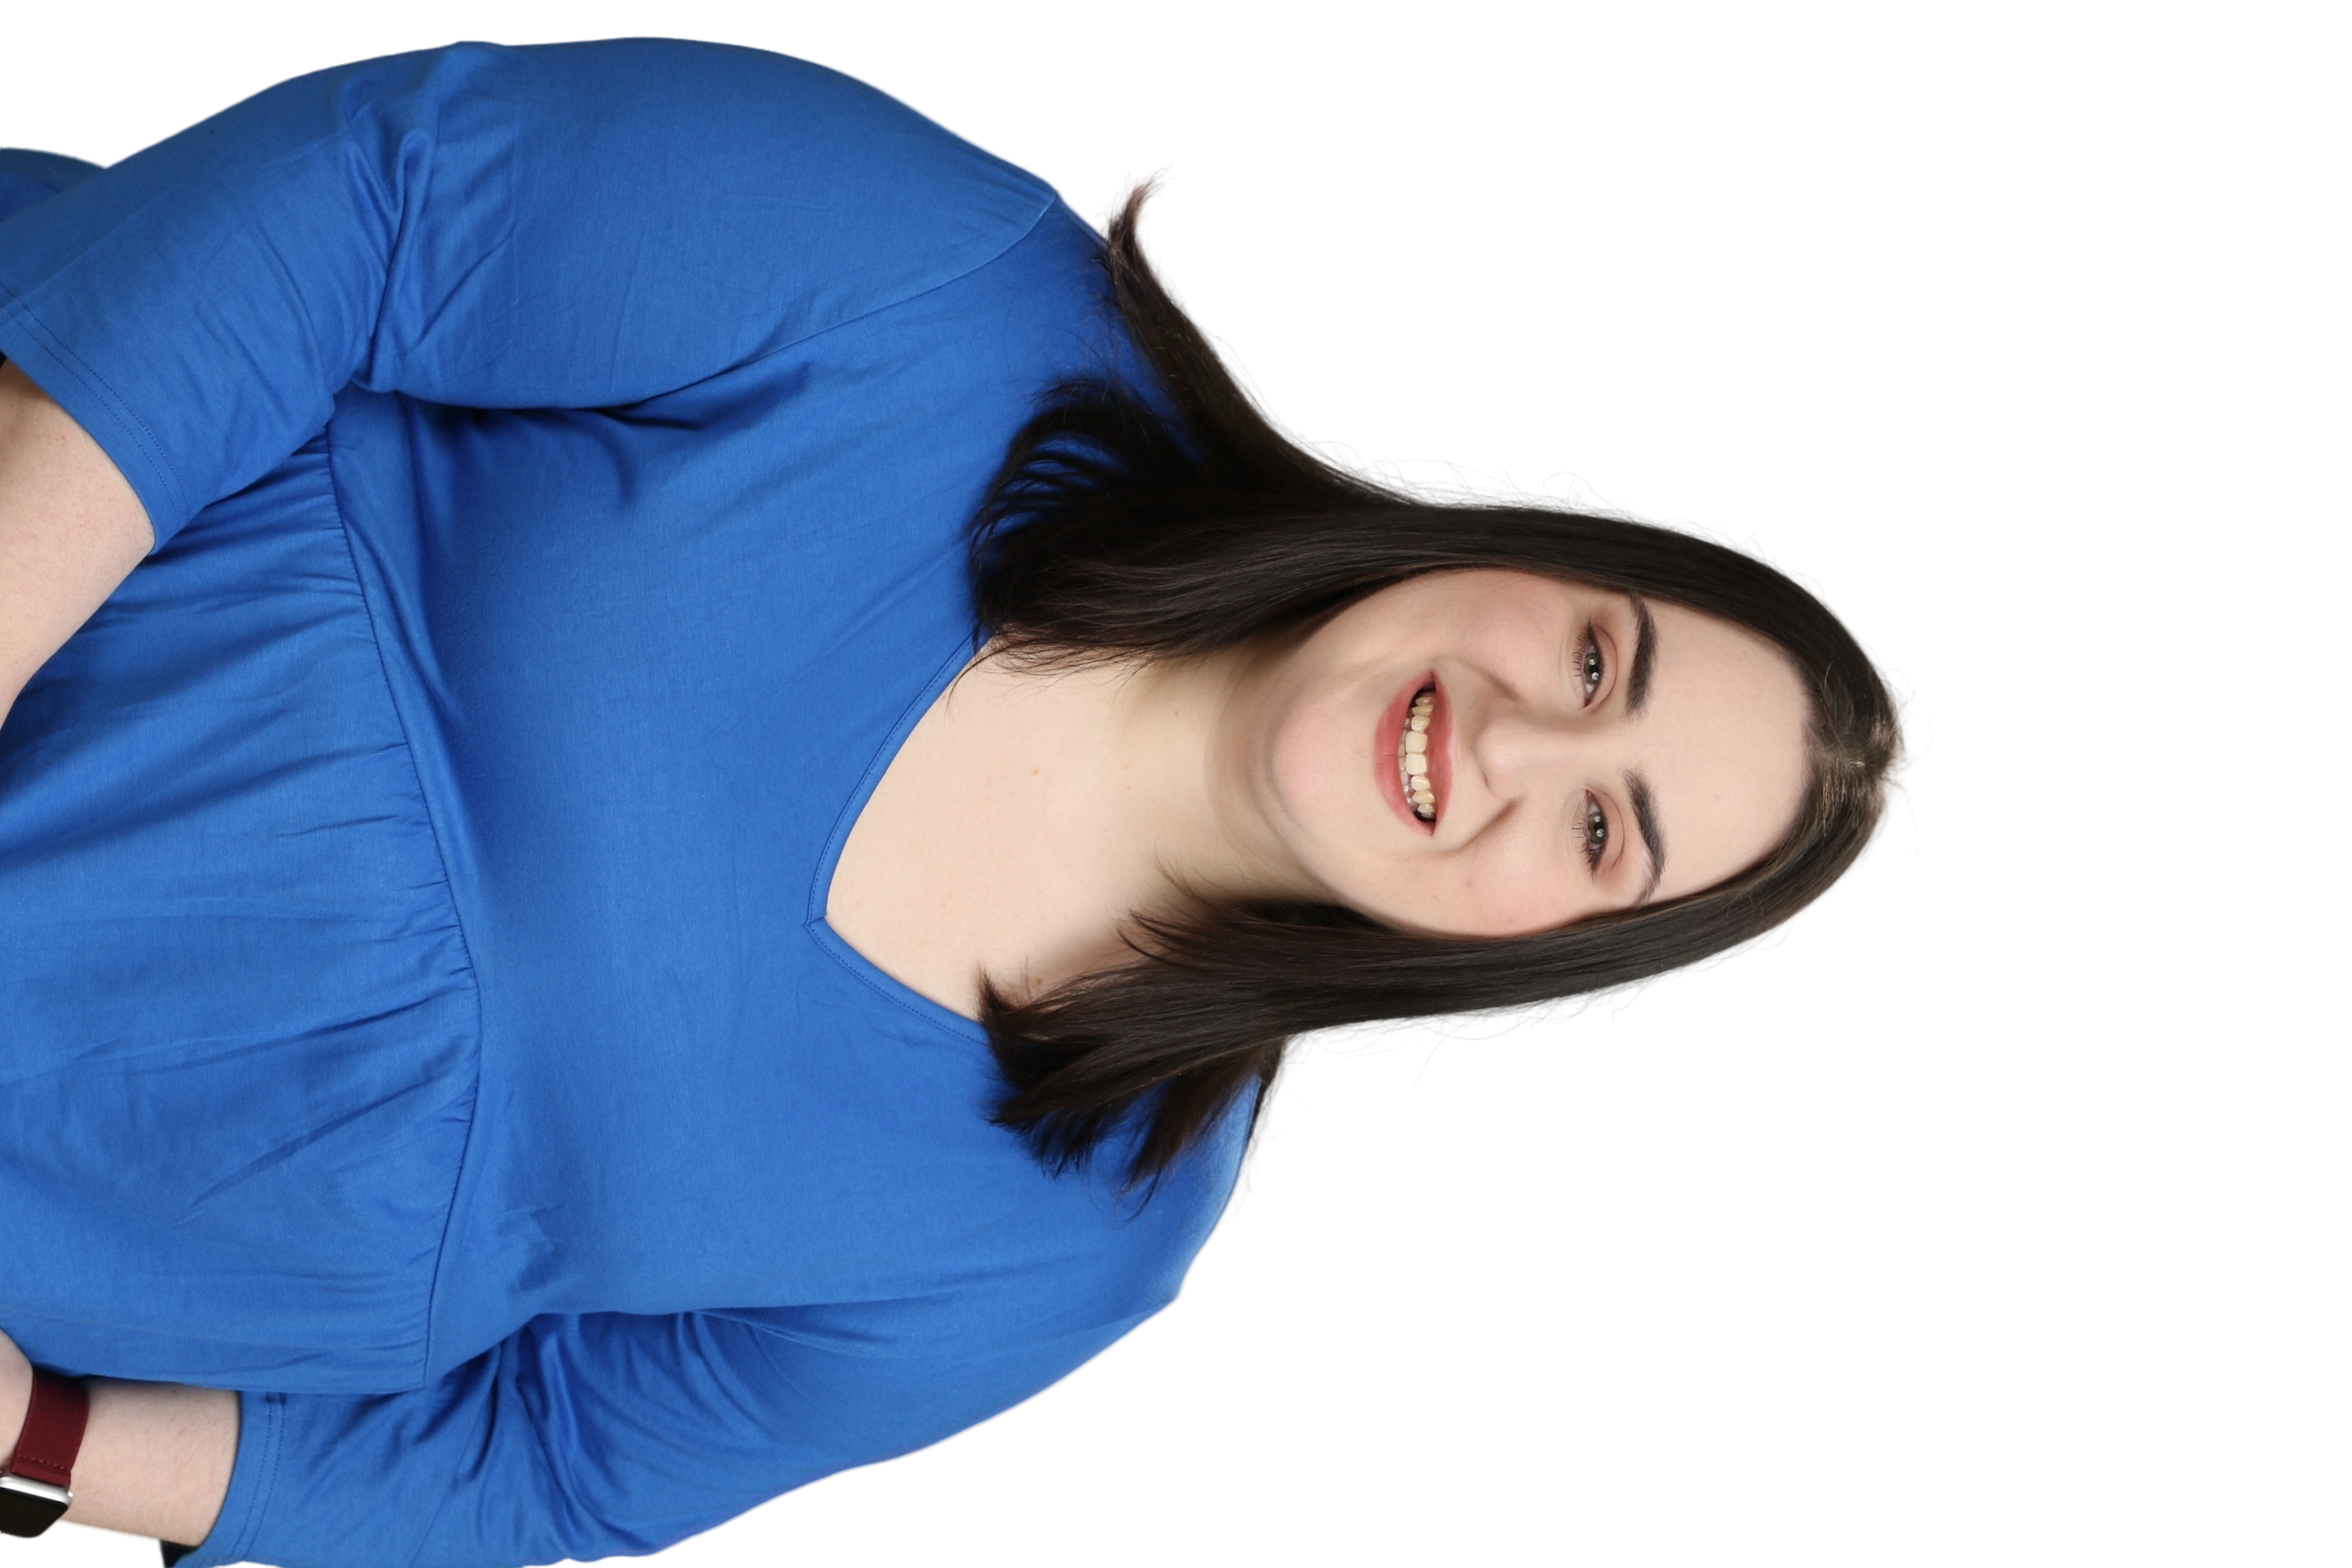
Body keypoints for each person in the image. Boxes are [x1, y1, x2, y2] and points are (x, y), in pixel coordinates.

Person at [0, 33, 1917, 1568]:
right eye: (1595, 662)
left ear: (1544, 952)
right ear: (1521, 548)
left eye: (1604, 832)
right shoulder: (955, 292)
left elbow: (552, 1467)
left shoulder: (1083, 1237)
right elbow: (366, 207)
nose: (1509, 751)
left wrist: (44, 1446)